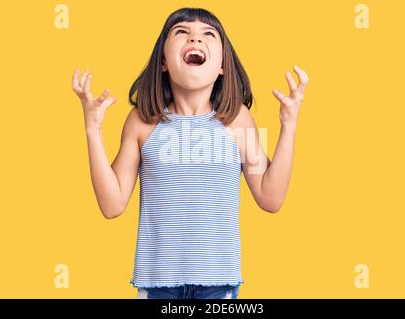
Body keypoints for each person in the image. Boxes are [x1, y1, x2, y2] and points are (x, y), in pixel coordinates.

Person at [71, 7, 309, 299]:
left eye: (208, 35)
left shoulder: (237, 120)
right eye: (182, 32)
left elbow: (271, 197)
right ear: (163, 62)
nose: (195, 40)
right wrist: (93, 130)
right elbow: (111, 205)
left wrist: (289, 125)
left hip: (218, 281)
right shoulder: (142, 121)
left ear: (222, 64)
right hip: (157, 282)